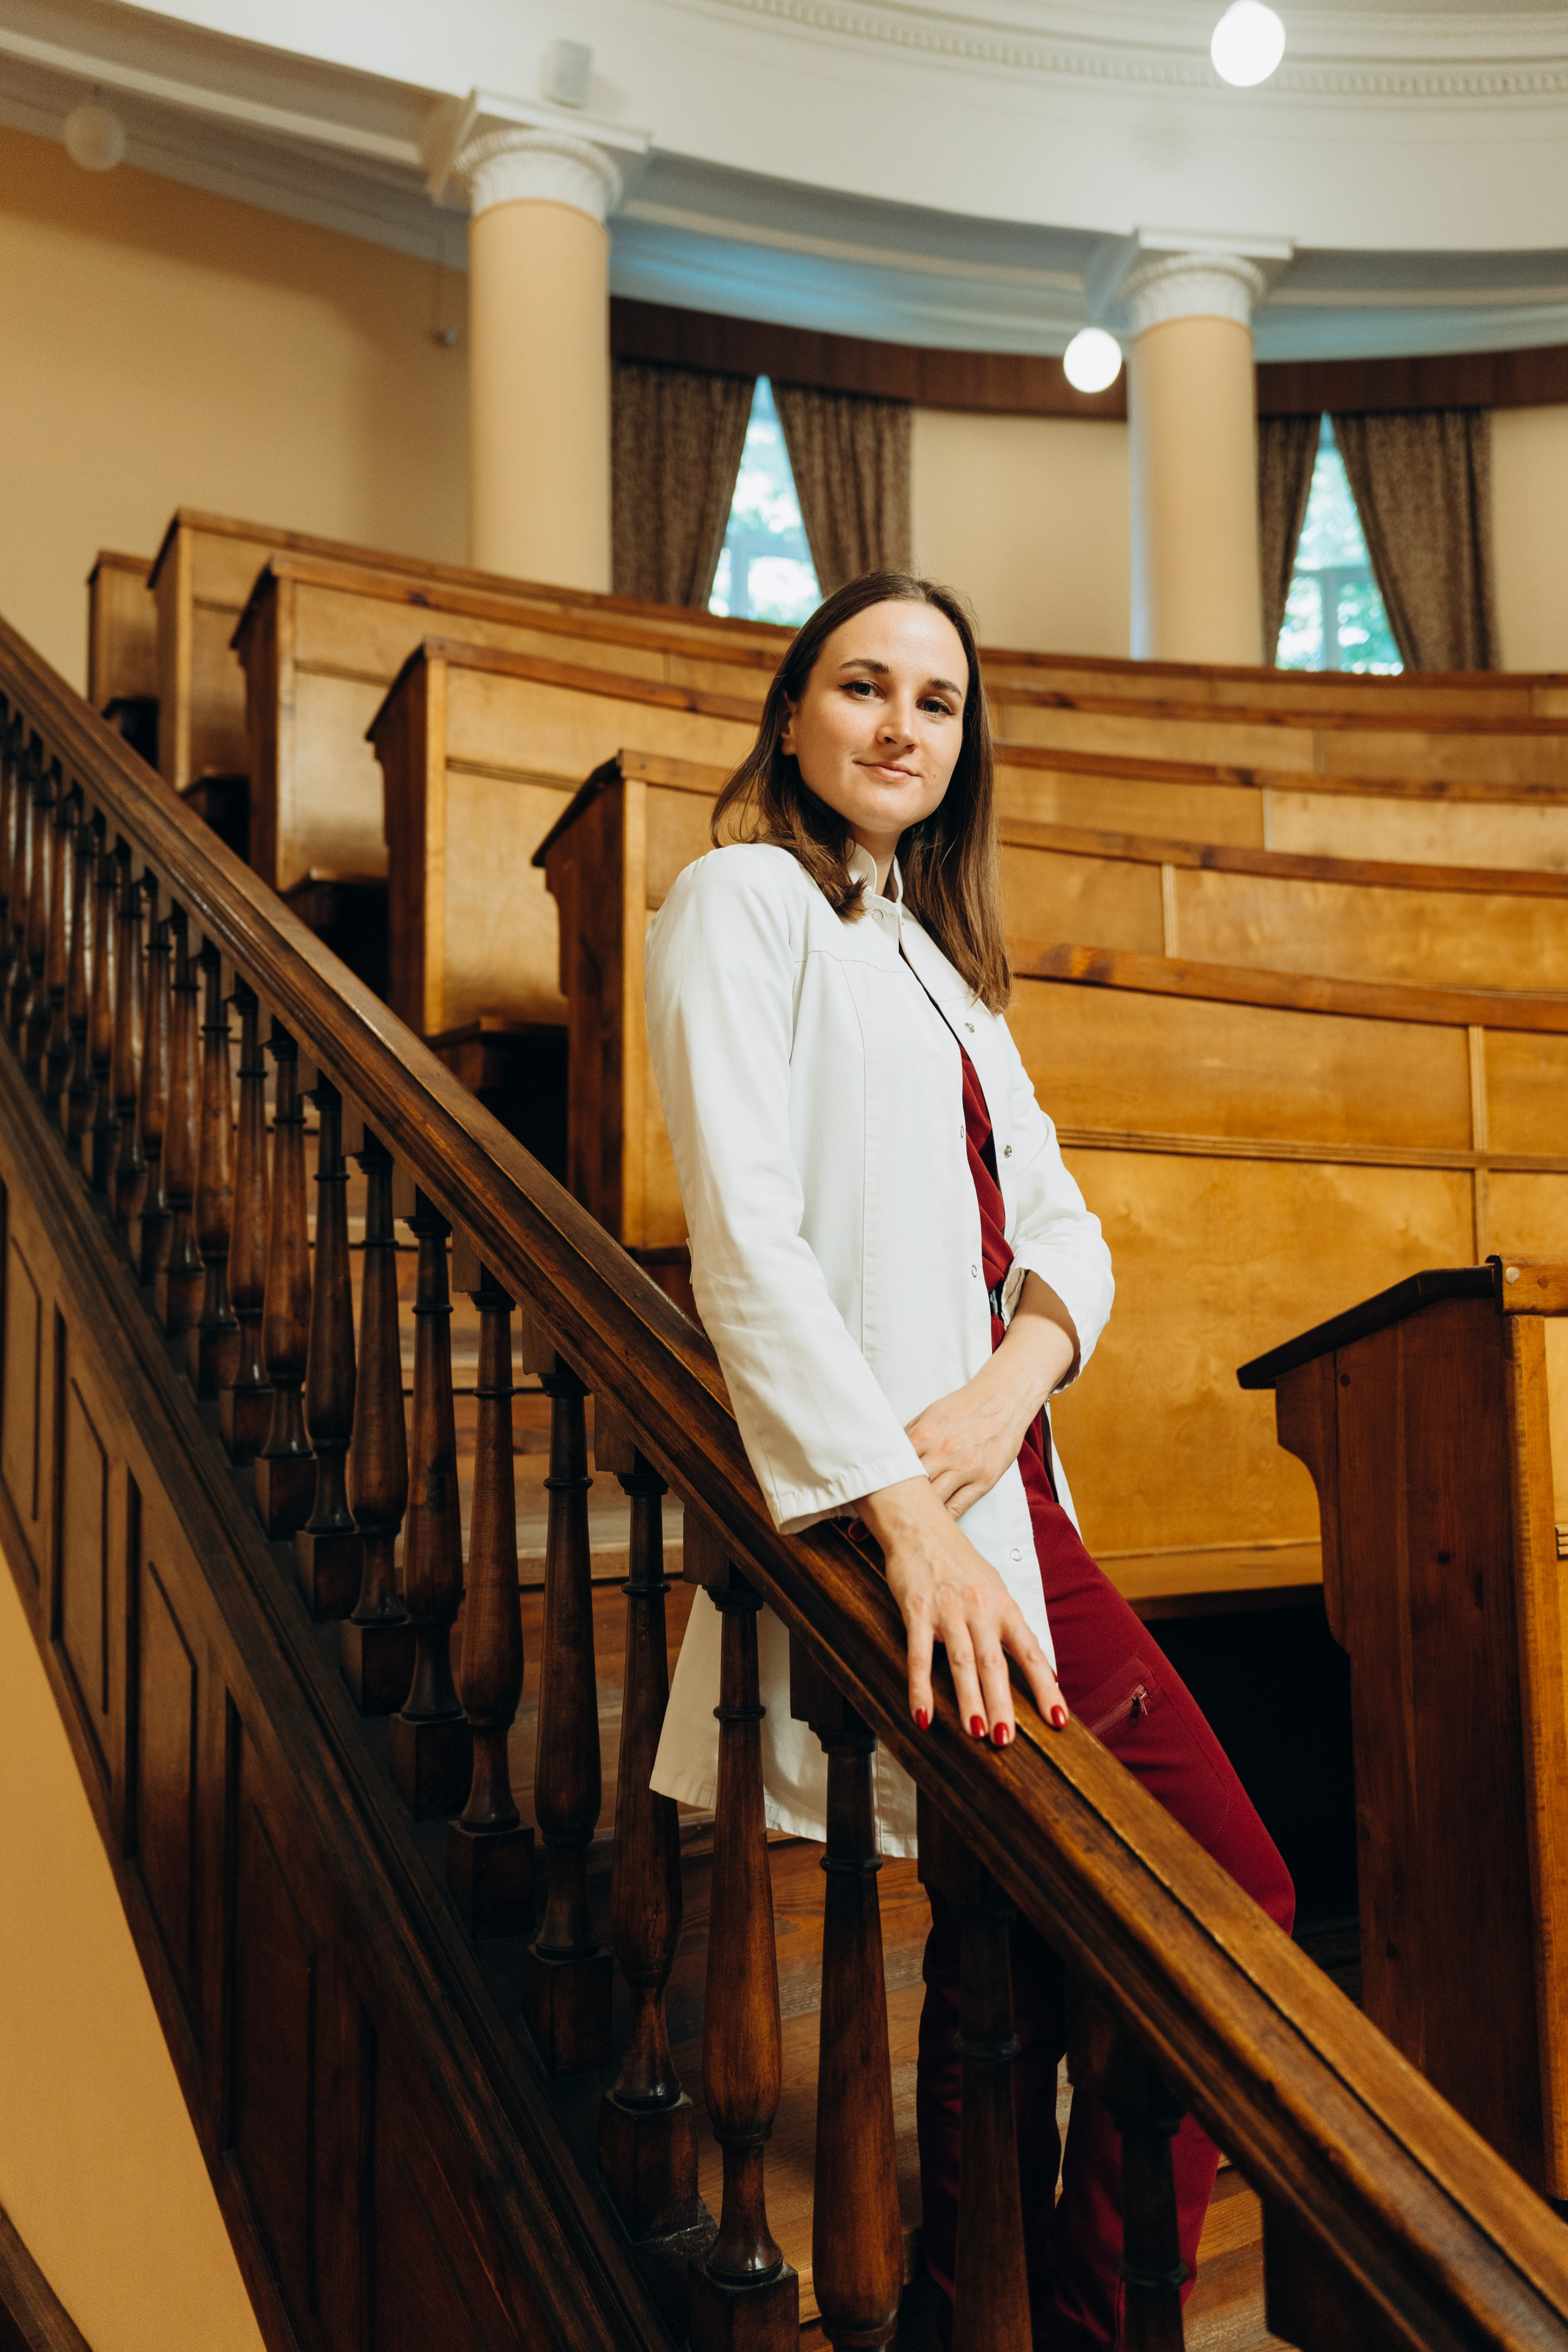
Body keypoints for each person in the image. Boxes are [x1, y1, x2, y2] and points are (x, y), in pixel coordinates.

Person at [644, 571, 1294, 2348]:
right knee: (1167, 1901)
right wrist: (908, 1522)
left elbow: (1071, 1230)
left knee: (1161, 1909)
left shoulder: (941, 966)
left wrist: (1020, 1372)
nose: (899, 726)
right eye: (862, 686)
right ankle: (1035, 2313)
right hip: (892, 1517)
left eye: (935, 702)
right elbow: (746, 1247)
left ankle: (1009, 2307)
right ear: (793, 716)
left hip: (1008, 1494)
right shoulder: (739, 903)